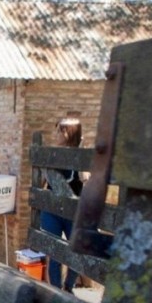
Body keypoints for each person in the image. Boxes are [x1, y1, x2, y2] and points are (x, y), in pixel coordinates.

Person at [40, 118, 84, 292]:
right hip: (52, 209)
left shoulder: (81, 156)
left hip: (73, 210)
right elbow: (43, 180)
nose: (56, 134)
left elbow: (85, 179)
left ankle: (68, 286)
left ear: (67, 133)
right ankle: (56, 290)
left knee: (78, 252)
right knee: (54, 252)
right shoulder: (52, 154)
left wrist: (80, 155)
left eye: (59, 131)